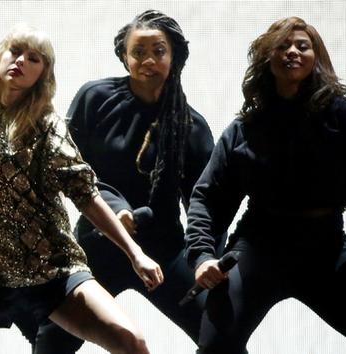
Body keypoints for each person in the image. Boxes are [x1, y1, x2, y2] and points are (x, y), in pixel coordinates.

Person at [0, 23, 162, 354]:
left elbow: (85, 194)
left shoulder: (46, 124)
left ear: (43, 73)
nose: (20, 61)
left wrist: (135, 253)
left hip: (52, 269)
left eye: (34, 58)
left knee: (131, 341)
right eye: (15, 51)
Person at [185, 16, 346, 354]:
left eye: (302, 46)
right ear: (267, 58)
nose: (292, 52)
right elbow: (209, 196)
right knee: (215, 346)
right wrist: (203, 255)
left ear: (316, 57)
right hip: (257, 246)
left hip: (327, 247)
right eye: (283, 46)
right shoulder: (245, 128)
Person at [34, 9, 215, 353]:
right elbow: (67, 169)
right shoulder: (96, 98)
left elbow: (203, 203)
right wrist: (115, 209)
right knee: (52, 339)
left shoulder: (191, 125)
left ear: (174, 55)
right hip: (97, 244)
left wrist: (206, 257)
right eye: (138, 52)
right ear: (124, 56)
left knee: (220, 332)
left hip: (164, 249)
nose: (148, 60)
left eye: (158, 51)